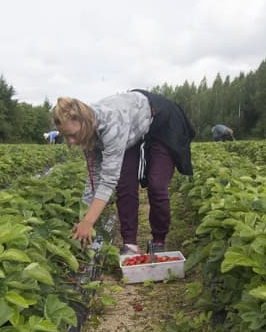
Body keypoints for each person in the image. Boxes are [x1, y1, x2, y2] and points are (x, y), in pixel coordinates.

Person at [52, 90, 195, 255]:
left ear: (85, 122)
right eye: (66, 137)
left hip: (163, 121)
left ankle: (158, 240)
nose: (72, 141)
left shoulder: (112, 125)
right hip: (132, 126)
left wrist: (88, 221)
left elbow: (108, 180)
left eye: (73, 135)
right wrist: (83, 215)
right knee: (125, 183)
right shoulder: (86, 132)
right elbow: (95, 177)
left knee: (157, 183)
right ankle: (130, 244)